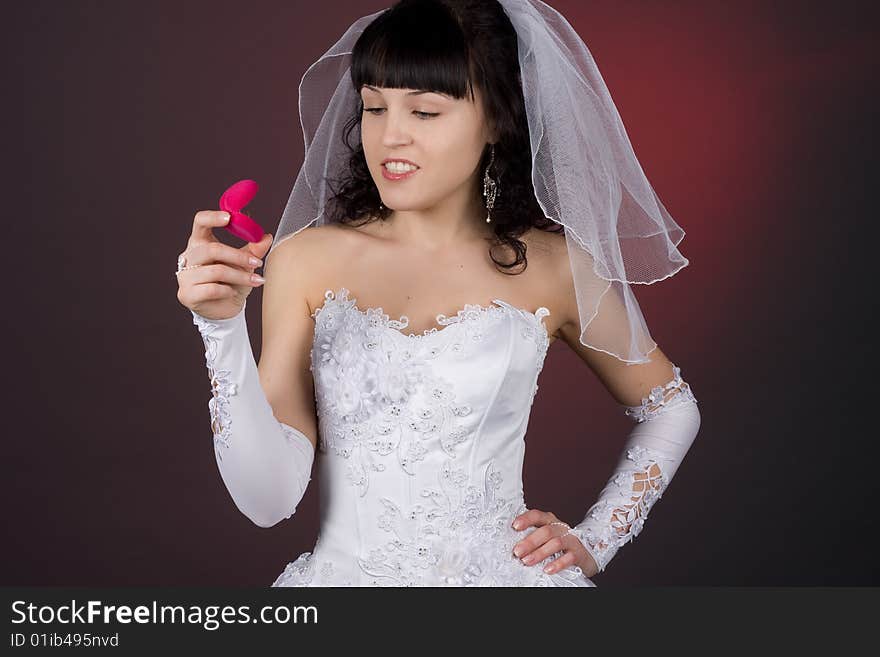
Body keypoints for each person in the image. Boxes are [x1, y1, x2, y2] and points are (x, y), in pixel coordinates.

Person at [175, 0, 701, 587]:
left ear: (497, 119)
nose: (390, 136)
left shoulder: (556, 267)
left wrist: (597, 538)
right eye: (374, 107)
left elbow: (671, 407)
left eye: (424, 111)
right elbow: (268, 501)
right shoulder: (305, 260)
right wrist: (220, 329)